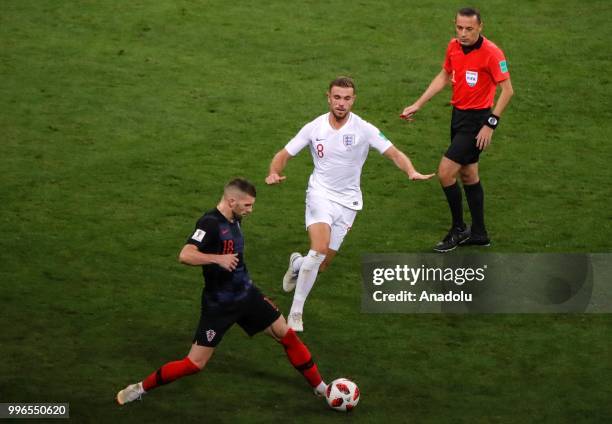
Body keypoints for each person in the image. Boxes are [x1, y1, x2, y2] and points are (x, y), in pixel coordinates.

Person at [116, 178, 327, 405]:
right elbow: (185, 254)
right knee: (194, 364)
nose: (251, 210)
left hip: (247, 295)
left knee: (287, 335)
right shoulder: (209, 224)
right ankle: (140, 388)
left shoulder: (234, 218)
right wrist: (217, 259)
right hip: (219, 305)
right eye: (247, 205)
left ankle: (322, 388)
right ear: (231, 200)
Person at [265, 76, 434, 332]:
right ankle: (296, 313)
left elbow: (394, 153)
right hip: (319, 194)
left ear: (353, 100)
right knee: (319, 248)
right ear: (328, 97)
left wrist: (410, 171)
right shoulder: (315, 127)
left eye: (346, 98)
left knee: (320, 264)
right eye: (337, 97)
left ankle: (297, 264)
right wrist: (274, 172)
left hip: (348, 203)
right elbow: (283, 154)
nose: (341, 103)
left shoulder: (364, 129)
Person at [401, 7, 514, 253]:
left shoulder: (492, 53)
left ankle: (459, 228)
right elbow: (444, 75)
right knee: (469, 175)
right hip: (459, 117)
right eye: (459, 28)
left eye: (469, 29)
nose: (463, 33)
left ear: (480, 27)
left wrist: (490, 124)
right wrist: (418, 104)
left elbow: (508, 91)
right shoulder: (453, 46)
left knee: (445, 173)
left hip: (477, 121)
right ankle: (480, 233)